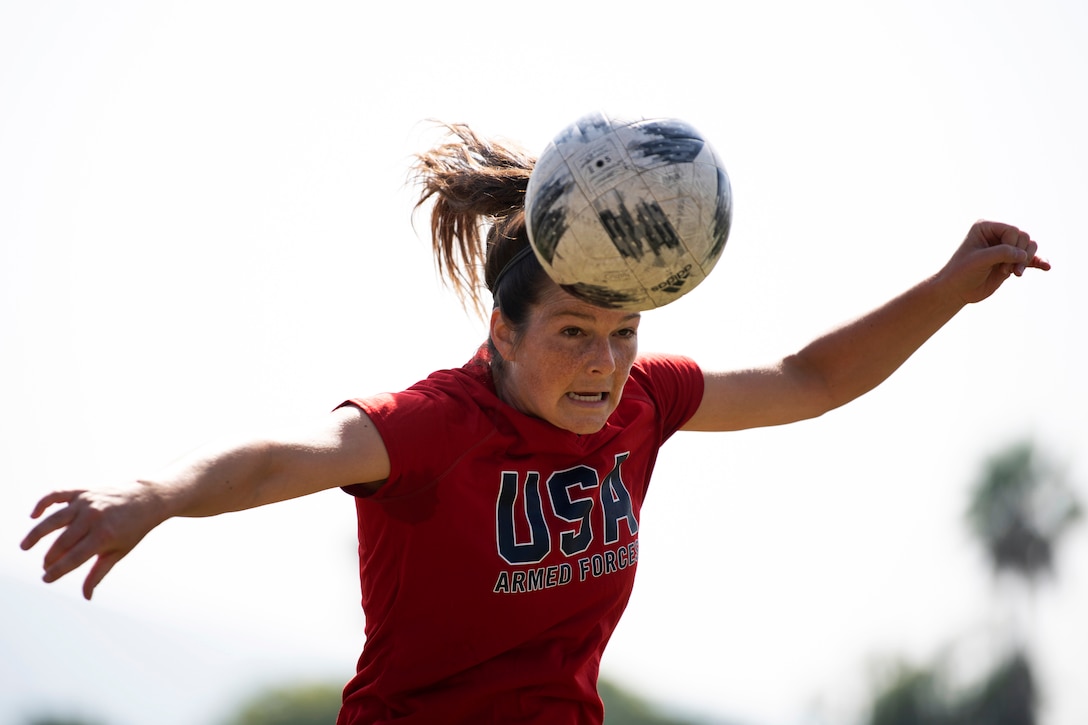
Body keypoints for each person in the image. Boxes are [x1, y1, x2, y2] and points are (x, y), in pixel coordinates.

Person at [20, 122, 1049, 724]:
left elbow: (806, 376)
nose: (602, 361)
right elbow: (282, 459)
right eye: (570, 332)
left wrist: (947, 286)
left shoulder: (644, 402)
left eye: (621, 331)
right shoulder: (434, 426)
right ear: (501, 330)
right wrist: (149, 496)